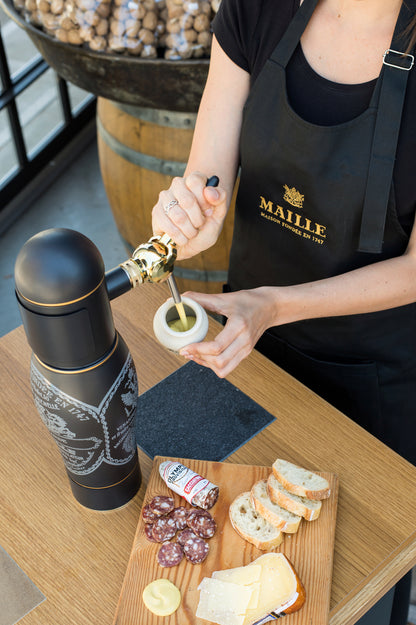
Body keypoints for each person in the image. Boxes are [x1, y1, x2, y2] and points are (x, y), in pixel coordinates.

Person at [152, 2, 416, 620]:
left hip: (375, 377)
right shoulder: (257, 8)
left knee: (355, 592)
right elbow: (207, 178)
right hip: (249, 354)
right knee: (230, 551)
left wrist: (274, 305)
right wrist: (187, 218)